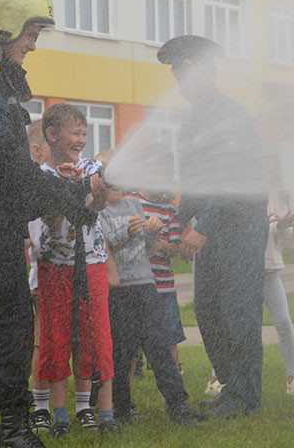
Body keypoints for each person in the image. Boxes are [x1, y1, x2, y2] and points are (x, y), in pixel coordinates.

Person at [0, 0, 100, 448]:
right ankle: (13, 429)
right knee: (9, 321)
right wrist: (70, 196)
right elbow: (8, 170)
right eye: (30, 33)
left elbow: (3, 171)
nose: (32, 45)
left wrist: (59, 193)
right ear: (7, 27)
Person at [155, 35, 269, 418]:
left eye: (188, 76)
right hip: (210, 228)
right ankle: (229, 386)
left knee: (238, 311)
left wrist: (202, 223)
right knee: (208, 310)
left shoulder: (231, 115)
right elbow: (196, 185)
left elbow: (234, 180)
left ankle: (245, 397)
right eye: (178, 79)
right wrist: (176, 219)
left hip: (240, 227)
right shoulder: (191, 122)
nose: (183, 86)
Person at [98, 171, 207, 427]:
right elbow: (103, 248)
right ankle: (121, 408)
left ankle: (178, 405)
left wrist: (151, 234)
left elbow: (145, 248)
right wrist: (127, 232)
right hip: (118, 290)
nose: (115, 186)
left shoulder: (134, 203)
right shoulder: (98, 212)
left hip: (146, 285)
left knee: (160, 346)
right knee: (122, 352)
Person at [33, 103, 114, 436]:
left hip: (92, 263)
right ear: (52, 135)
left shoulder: (92, 167)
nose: (81, 139)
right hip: (54, 266)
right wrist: (63, 192)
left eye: (84, 133)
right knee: (55, 337)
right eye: (74, 132)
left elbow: (98, 206)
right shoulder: (41, 176)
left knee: (95, 336)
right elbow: (49, 221)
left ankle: (98, 411)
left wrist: (97, 195)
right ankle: (60, 413)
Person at [208, 154, 294, 398]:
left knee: (284, 322)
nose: (266, 172)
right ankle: (215, 379)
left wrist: (284, 227)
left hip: (269, 268)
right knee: (237, 325)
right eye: (262, 167)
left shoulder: (279, 195)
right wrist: (264, 223)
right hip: (244, 270)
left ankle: (293, 379)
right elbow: (238, 229)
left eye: (270, 167)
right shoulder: (243, 195)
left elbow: (280, 236)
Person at [124, 144, 186, 376]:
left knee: (169, 337)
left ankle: (175, 390)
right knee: (130, 342)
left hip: (163, 286)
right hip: (134, 285)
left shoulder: (170, 209)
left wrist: (158, 245)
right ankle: (125, 396)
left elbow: (176, 247)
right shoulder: (129, 201)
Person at [24, 120, 53, 434]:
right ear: (37, 149)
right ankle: (40, 404)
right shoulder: (37, 182)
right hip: (43, 279)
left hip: (68, 274)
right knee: (40, 344)